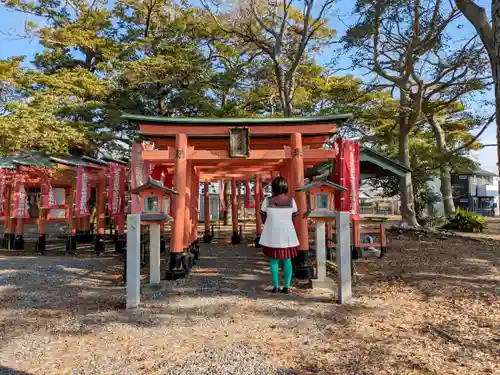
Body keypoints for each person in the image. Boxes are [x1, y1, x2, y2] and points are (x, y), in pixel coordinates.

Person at [259, 176, 299, 294]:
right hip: (288, 234)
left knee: (274, 261)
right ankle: (287, 287)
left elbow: (263, 216)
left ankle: (275, 287)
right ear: (285, 187)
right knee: (287, 260)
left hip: (272, 234)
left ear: (274, 187)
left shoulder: (267, 201)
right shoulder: (291, 201)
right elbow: (294, 215)